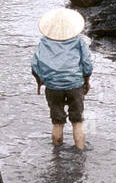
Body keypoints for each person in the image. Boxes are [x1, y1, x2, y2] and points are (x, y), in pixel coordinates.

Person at [31, 8, 94, 150]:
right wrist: (86, 81)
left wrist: (41, 81)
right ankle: (80, 155)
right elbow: (87, 64)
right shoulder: (78, 41)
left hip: (53, 87)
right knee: (77, 122)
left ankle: (57, 156)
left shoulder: (44, 42)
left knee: (57, 123)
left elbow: (35, 65)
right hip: (75, 85)